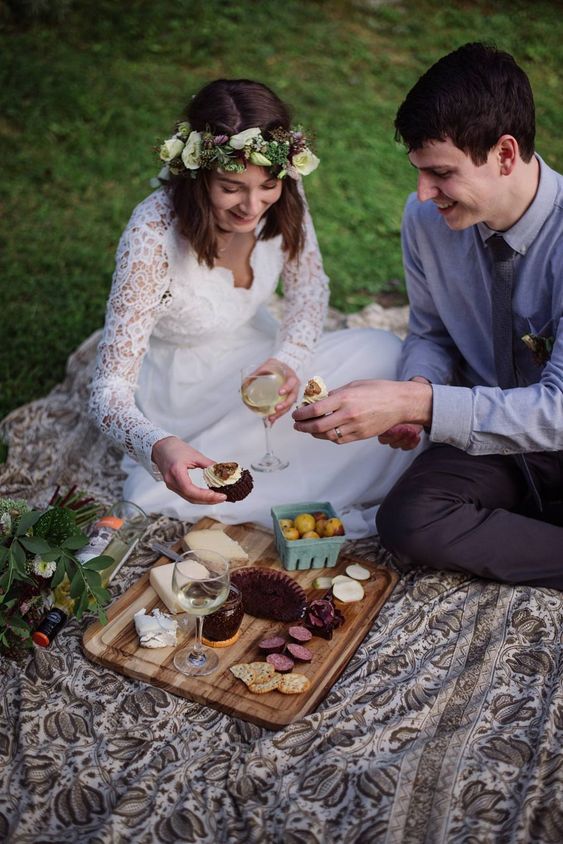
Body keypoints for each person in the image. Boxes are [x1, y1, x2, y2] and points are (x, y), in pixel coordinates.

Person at [89, 78, 415, 538]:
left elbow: (309, 290)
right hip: (186, 388)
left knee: (385, 352)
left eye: (267, 186)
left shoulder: (283, 191)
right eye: (230, 187)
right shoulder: (151, 236)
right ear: (197, 172)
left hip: (257, 352)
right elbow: (106, 392)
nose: (252, 206)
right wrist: (159, 445)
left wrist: (288, 361)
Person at [292, 43, 563, 587]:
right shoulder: (425, 219)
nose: (422, 193)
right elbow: (431, 331)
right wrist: (419, 389)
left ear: (505, 154)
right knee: (407, 520)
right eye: (419, 171)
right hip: (492, 438)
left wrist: (419, 402)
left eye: (441, 173)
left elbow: (556, 412)